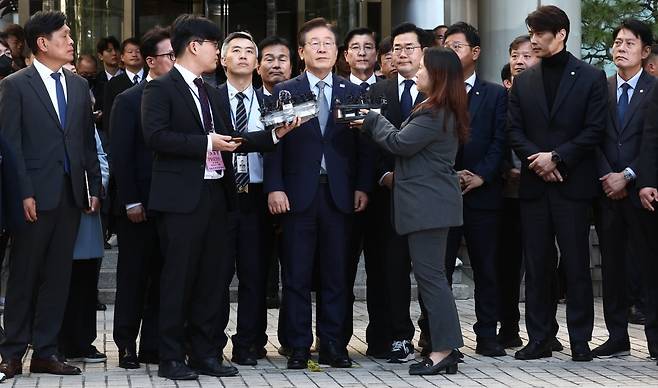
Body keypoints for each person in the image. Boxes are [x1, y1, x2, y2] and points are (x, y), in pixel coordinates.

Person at [141, 14, 297, 381]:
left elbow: (234, 138)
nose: (218, 53)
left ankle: (206, 353)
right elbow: (156, 137)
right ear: (195, 46)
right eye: (215, 45)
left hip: (217, 196)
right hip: (181, 200)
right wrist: (205, 143)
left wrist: (275, 135)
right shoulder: (161, 89)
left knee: (213, 280)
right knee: (179, 279)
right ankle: (171, 356)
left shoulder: (210, 91)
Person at [263, 17, 373, 370]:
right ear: (301, 51)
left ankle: (334, 346)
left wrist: (362, 187)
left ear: (337, 51)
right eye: (315, 43)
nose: (322, 48)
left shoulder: (352, 92)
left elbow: (365, 149)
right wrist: (275, 187)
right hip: (297, 195)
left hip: (340, 195)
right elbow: (274, 145)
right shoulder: (286, 91)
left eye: (328, 43)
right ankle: (298, 346)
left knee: (337, 275)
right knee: (295, 274)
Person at [0, 11, 102, 379]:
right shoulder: (15, 85)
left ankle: (46, 351)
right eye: (64, 36)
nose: (72, 42)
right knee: (25, 275)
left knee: (59, 277)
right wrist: (22, 192)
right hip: (33, 197)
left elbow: (86, 142)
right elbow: (10, 145)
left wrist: (93, 187)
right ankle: (11, 353)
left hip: (71, 195)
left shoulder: (78, 86)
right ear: (42, 43)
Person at [358, 46, 467, 375]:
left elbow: (399, 144)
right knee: (433, 278)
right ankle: (446, 348)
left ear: (438, 76)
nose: (415, 72)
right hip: (428, 206)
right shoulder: (435, 109)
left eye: (422, 68)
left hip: (428, 207)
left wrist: (372, 118)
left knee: (432, 280)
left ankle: (445, 349)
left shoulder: (435, 112)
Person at [507, 5, 607, 361]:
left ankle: (580, 338)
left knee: (577, 264)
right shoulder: (524, 80)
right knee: (537, 265)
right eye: (531, 33)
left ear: (560, 34)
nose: (532, 40)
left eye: (539, 34)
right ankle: (540, 337)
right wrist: (540, 160)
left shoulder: (591, 77)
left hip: (573, 185)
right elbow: (514, 129)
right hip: (535, 187)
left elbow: (594, 129)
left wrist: (558, 157)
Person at [366, 22, 432, 362]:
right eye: (396, 49)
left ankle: (435, 338)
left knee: (430, 270)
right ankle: (398, 336)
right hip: (388, 196)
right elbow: (369, 145)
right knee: (392, 269)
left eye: (409, 48)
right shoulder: (378, 91)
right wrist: (383, 174)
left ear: (423, 52)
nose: (401, 54)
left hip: (426, 198)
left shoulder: (437, 92)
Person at [442, 21, 507, 357]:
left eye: (457, 46)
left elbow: (500, 140)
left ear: (475, 52)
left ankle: (487, 335)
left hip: (483, 194)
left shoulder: (495, 93)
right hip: (443, 193)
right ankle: (436, 335)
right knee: (440, 271)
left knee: (485, 268)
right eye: (446, 46)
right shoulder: (435, 92)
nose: (450, 52)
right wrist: (448, 175)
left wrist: (481, 175)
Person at [110, 26, 173, 370]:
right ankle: (125, 345)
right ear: (151, 61)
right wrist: (131, 200)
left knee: (164, 277)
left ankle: (152, 344)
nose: (175, 61)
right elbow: (121, 155)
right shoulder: (129, 100)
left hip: (171, 205)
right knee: (133, 278)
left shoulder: (180, 96)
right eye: (169, 55)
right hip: (137, 205)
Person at [593, 19, 656, 358]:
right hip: (607, 192)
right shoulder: (600, 88)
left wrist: (628, 175)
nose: (621, 48)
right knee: (612, 266)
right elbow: (595, 137)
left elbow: (653, 142)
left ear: (645, 51)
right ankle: (616, 336)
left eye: (629, 43)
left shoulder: (655, 89)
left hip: (641, 191)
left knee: (648, 266)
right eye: (617, 42)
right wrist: (608, 176)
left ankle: (655, 340)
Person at [215, 30, 272, 366]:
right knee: (217, 276)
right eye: (235, 50)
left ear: (257, 62)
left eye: (249, 51)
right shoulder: (210, 98)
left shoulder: (271, 100)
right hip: (221, 198)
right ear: (222, 60)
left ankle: (248, 343)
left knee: (254, 275)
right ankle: (212, 341)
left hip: (257, 198)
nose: (242, 56)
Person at [59, 129, 109, 364]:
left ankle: (83, 341)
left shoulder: (86, 123)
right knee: (55, 279)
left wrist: (97, 189)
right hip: (55, 207)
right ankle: (54, 342)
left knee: (86, 277)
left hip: (87, 208)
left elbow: (100, 158)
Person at [102, 37, 145, 137]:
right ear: (122, 57)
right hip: (123, 136)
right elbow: (108, 117)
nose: (134, 55)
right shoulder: (113, 84)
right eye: (130, 52)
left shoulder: (153, 79)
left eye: (138, 51)